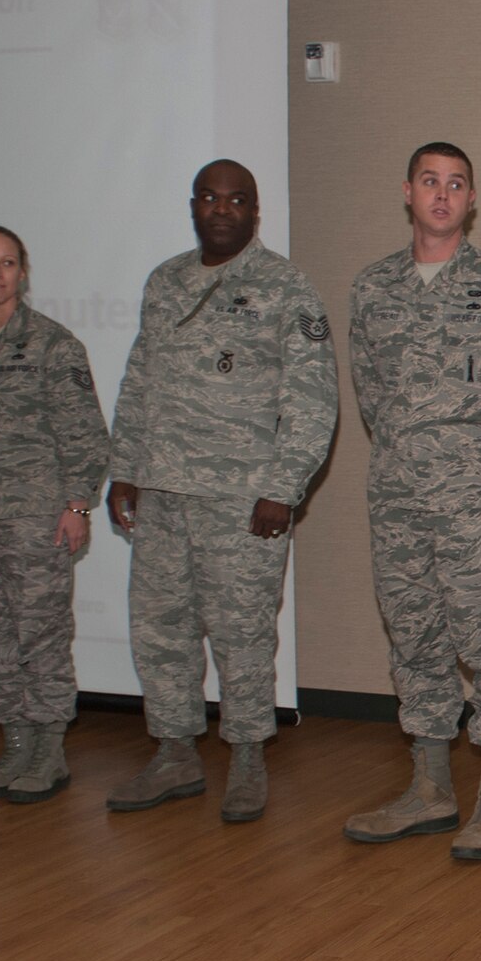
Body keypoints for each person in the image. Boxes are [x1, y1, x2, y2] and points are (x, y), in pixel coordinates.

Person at [342, 142, 481, 861]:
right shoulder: (373, 288)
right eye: (430, 181)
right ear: (407, 192)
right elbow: (371, 392)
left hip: (478, 505)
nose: (442, 194)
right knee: (414, 638)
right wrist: (411, 461)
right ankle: (430, 788)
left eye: (456, 183)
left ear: (471, 199)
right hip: (398, 501)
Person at [104, 160, 338, 823]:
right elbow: (139, 380)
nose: (222, 208)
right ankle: (175, 753)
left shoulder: (285, 286)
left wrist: (283, 488)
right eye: (210, 197)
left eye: (237, 199)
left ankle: (247, 758)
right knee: (161, 629)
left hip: (243, 499)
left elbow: (313, 400)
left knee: (241, 632)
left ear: (255, 211)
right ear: (193, 206)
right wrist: (124, 467)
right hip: (161, 491)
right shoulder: (165, 281)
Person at [0, 226, 110, 803]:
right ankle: (14, 744)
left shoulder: (54, 344)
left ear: (23, 271)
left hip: (35, 515)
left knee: (42, 634)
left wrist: (78, 504)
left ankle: (50, 749)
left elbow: (85, 433)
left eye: (7, 262)